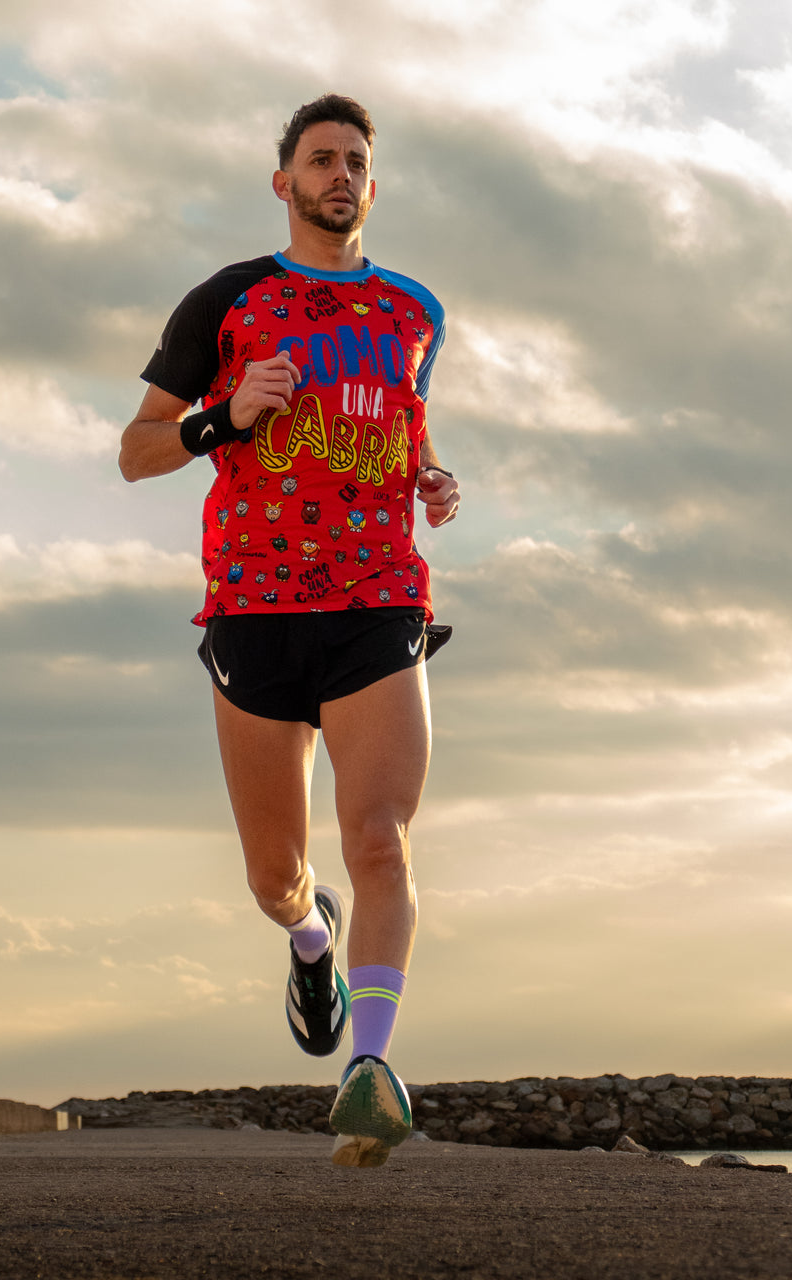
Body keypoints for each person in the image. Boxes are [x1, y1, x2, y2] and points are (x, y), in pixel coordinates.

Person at [119, 94, 460, 1168]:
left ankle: (370, 1067)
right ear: (284, 182)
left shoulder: (415, 311)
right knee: (278, 874)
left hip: (377, 602)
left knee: (381, 839)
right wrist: (225, 418)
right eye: (321, 159)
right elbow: (136, 451)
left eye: (358, 160)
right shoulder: (228, 301)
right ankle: (309, 939)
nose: (341, 174)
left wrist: (431, 476)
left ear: (373, 181)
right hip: (255, 611)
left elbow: (404, 426)